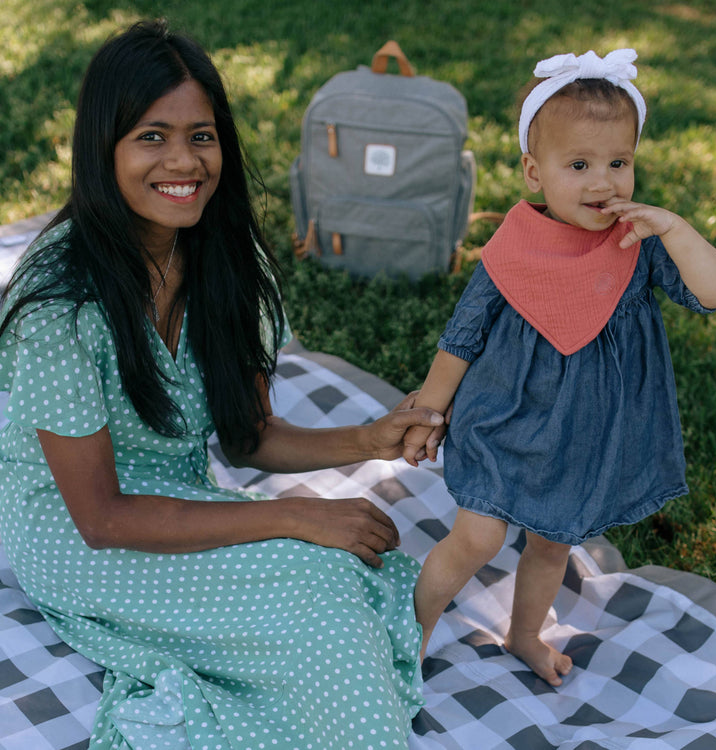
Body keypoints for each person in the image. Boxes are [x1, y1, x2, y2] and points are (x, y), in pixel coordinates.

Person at [0, 21, 446, 749]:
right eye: (151, 136)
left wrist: (371, 439)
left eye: (200, 135)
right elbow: (102, 518)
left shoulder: (226, 254)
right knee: (314, 589)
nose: (183, 160)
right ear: (102, 148)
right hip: (76, 533)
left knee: (334, 580)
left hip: (182, 499)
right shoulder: (60, 302)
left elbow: (248, 437)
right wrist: (292, 516)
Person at [403, 49, 716, 686]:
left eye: (619, 162)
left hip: (584, 435)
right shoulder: (514, 245)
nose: (602, 182)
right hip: (504, 417)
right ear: (534, 172)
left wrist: (678, 229)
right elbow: (463, 336)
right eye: (578, 165)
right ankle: (410, 632)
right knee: (477, 539)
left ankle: (525, 633)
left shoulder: (639, 241)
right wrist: (429, 411)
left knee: (553, 544)